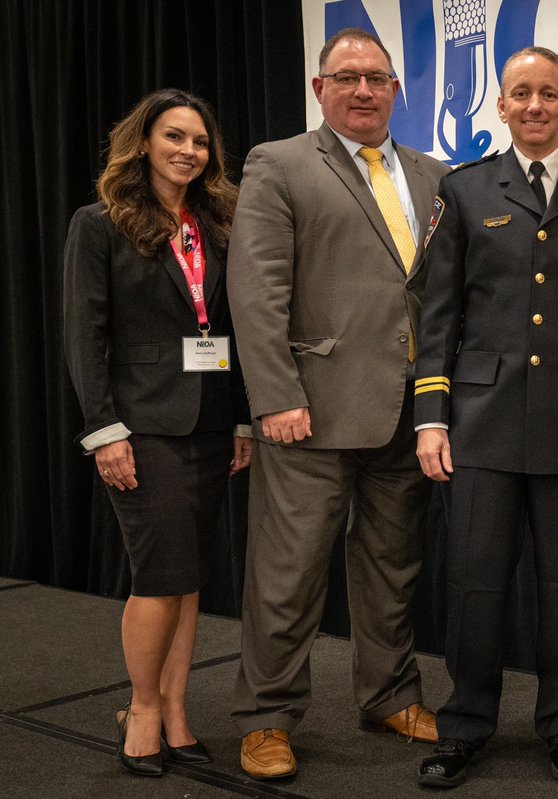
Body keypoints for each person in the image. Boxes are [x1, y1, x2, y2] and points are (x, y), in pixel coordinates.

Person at [412, 46, 558, 789]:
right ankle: (466, 725)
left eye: (550, 94)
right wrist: (430, 417)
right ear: (502, 107)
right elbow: (439, 312)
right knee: (474, 583)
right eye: (522, 93)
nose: (536, 105)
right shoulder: (465, 187)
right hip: (480, 421)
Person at [225, 28, 451, 780]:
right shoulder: (280, 163)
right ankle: (266, 715)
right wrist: (275, 398)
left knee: (393, 566)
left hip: (405, 412)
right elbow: (256, 293)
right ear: (320, 89)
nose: (363, 90)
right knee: (287, 574)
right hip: (310, 411)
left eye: (377, 78)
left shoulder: (433, 174)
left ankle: (388, 693)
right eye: (346, 77)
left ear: (396, 90)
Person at [63, 88, 252, 777]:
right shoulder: (100, 223)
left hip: (208, 419)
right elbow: (86, 337)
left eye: (200, 142)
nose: (188, 152)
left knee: (190, 574)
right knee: (159, 573)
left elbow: (224, 329)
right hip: (139, 426)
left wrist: (238, 416)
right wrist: (103, 430)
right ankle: (141, 708)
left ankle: (176, 710)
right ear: (144, 142)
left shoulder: (217, 223)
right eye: (174, 137)